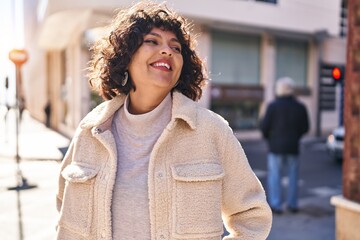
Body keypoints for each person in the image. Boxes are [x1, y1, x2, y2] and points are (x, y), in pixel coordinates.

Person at [56, 1, 272, 239]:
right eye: (152, 41)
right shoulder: (90, 130)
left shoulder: (211, 130)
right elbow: (64, 211)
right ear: (125, 57)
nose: (168, 51)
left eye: (176, 47)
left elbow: (252, 218)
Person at [260, 77, 309, 214]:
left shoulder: (273, 106)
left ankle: (276, 205)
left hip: (275, 146)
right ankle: (292, 204)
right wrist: (296, 137)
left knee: (275, 176)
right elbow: (305, 127)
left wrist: (269, 138)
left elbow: (264, 127)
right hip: (293, 146)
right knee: (293, 177)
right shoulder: (300, 106)